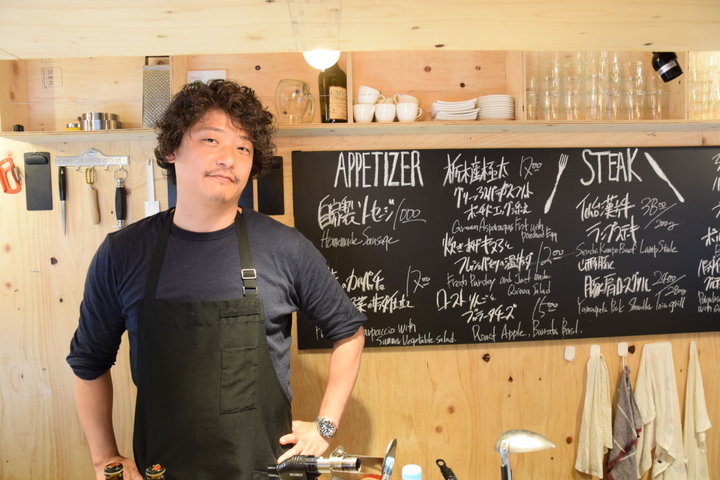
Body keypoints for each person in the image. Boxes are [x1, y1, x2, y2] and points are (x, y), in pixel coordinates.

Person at [67, 79, 366, 480]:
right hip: (161, 472)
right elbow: (89, 361)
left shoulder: (285, 247)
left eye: (243, 147)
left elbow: (348, 331)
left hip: (265, 472)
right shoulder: (123, 253)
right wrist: (104, 458)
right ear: (172, 149)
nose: (229, 158)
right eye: (211, 140)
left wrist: (324, 426)